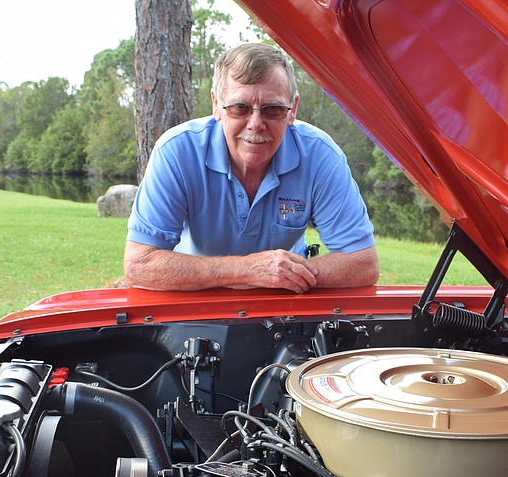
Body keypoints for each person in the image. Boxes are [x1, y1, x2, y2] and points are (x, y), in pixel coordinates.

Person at [123, 43, 379, 294]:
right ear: (216, 104)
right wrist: (247, 270)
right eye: (240, 108)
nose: (256, 123)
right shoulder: (176, 151)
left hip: (286, 302)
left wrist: (281, 275)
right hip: (198, 300)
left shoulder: (320, 155)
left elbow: (364, 263)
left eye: (273, 109)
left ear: (293, 110)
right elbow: (139, 264)